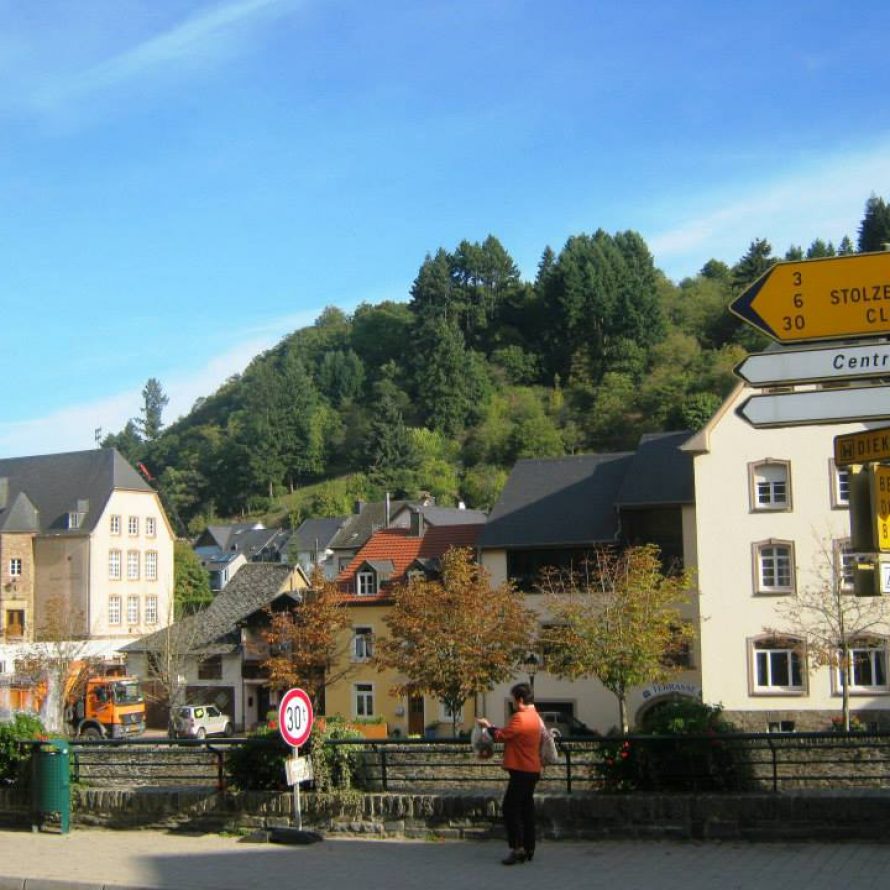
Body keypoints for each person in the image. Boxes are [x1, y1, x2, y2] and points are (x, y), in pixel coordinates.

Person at [476, 682, 541, 865]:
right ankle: (529, 847)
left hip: (521, 770)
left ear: (520, 700)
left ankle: (517, 848)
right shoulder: (535, 716)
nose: (512, 703)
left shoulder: (520, 717)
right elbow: (510, 734)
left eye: (513, 699)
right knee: (527, 809)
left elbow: (501, 736)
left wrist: (488, 726)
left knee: (510, 808)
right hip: (532, 770)